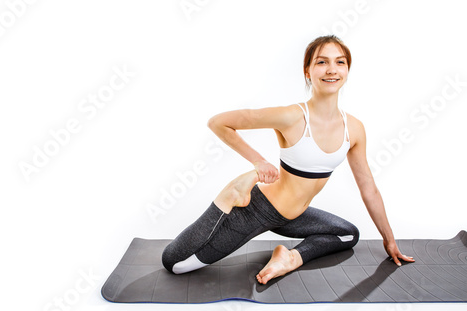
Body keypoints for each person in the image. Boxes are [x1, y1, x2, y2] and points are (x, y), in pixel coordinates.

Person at [162, 35, 415, 285]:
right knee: (176, 263)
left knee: (348, 235)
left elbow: (368, 187)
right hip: (259, 210)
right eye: (321, 62)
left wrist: (389, 239)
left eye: (340, 62)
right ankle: (228, 197)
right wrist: (259, 162)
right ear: (308, 71)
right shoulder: (291, 117)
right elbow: (218, 123)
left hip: (294, 216)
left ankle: (289, 258)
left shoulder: (355, 129)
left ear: (347, 70)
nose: (331, 70)